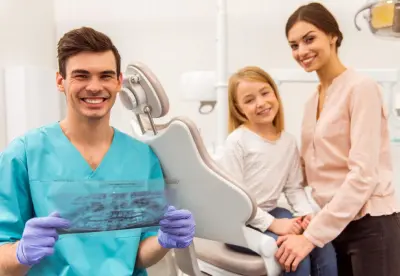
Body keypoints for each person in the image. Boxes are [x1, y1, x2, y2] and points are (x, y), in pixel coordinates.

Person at [0, 27, 196, 276]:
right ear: (61, 81)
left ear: (118, 82)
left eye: (105, 76)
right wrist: (20, 253)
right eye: (81, 76)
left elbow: (138, 255)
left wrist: (163, 240)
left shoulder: (142, 157)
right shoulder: (24, 154)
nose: (94, 87)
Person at [275, 2, 400, 276]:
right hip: (333, 226)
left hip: (371, 225)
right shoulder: (311, 103)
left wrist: (310, 237)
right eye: (294, 45)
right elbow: (310, 171)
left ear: (333, 36)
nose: (302, 51)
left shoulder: (361, 88)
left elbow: (363, 176)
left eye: (309, 39)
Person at [218, 66, 338, 275]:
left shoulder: (288, 142)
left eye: (265, 93)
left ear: (275, 93)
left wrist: (306, 216)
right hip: (238, 224)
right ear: (239, 109)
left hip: (271, 213)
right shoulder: (237, 141)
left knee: (321, 243)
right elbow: (233, 201)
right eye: (249, 100)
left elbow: (293, 188)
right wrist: (273, 224)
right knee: (290, 251)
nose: (261, 103)